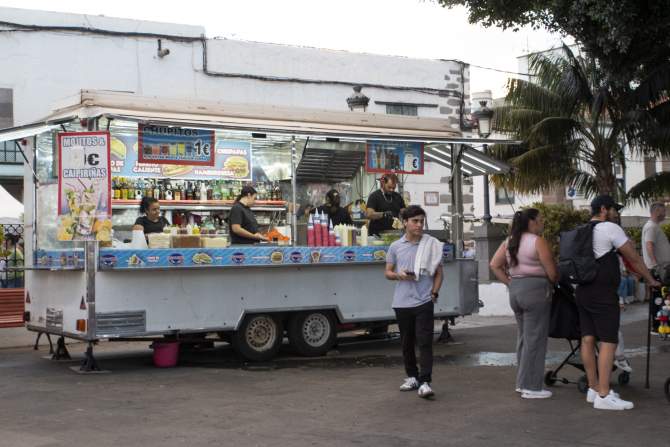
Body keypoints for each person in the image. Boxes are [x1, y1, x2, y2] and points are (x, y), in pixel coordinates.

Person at [576, 195, 659, 411]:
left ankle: (593, 389)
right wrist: (650, 279)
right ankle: (604, 395)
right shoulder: (610, 229)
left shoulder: (581, 230)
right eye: (614, 209)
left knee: (587, 338)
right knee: (608, 341)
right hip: (603, 292)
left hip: (583, 291)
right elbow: (633, 258)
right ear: (604, 209)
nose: (616, 213)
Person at [490, 208, 558, 399]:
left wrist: (510, 283)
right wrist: (552, 282)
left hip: (516, 290)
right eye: (540, 220)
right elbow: (552, 272)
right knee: (535, 338)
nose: (542, 223)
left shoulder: (510, 241)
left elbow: (494, 264)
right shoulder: (538, 241)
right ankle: (531, 387)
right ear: (532, 222)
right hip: (536, 290)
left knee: (524, 338)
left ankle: (522, 383)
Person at [384, 205, 443, 399]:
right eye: (415, 221)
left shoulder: (430, 244)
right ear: (405, 223)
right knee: (406, 343)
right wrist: (398, 275)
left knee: (425, 342)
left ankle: (425, 381)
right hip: (402, 302)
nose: (419, 225)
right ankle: (412, 377)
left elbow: (439, 273)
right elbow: (387, 272)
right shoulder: (396, 246)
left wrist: (434, 293)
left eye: (421, 221)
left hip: (424, 301)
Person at [641, 202, 670, 333]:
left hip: (661, 268)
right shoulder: (651, 227)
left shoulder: (654, 226)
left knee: (663, 297)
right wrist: (655, 266)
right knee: (659, 298)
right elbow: (649, 245)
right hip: (658, 269)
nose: (665, 213)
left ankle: (663, 325)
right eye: (664, 211)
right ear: (657, 211)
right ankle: (657, 327)